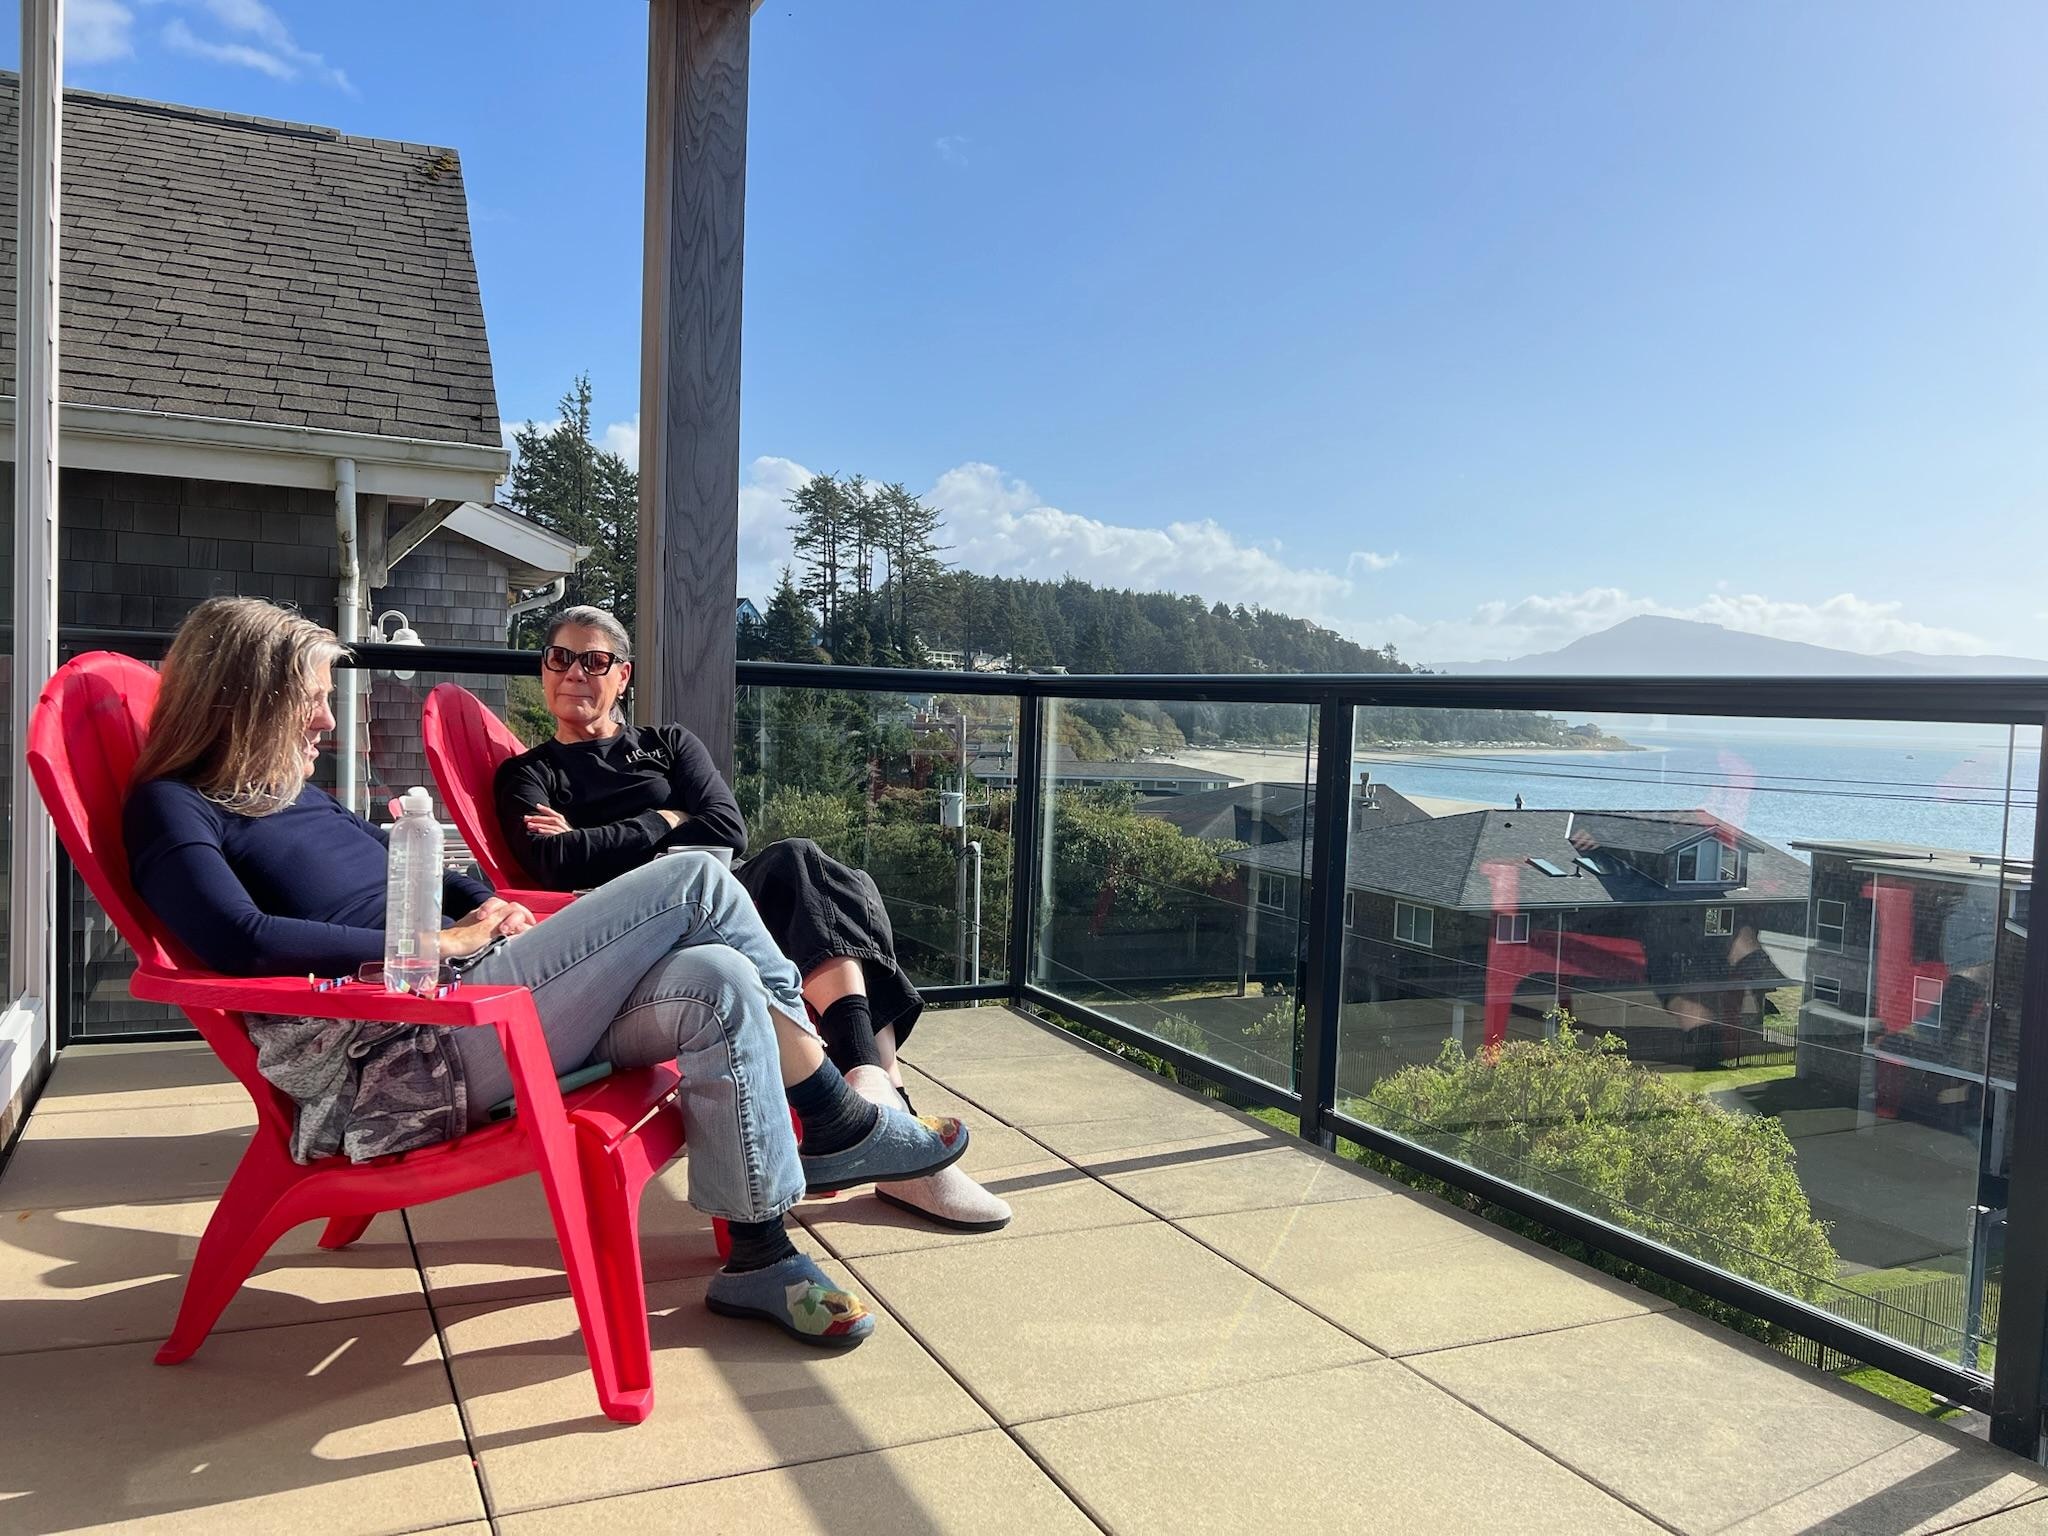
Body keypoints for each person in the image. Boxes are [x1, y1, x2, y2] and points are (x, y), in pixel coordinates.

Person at [123, 596, 972, 1349]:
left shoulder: (296, 796)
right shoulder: (173, 805)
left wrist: (487, 904)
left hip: (479, 993)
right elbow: (240, 940)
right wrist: (433, 947)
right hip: (403, 1047)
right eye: (311, 699)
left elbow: (415, 867)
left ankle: (759, 1253)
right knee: (699, 881)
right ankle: (831, 1113)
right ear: (248, 698)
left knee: (718, 976)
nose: (325, 721)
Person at [494, 605, 1011, 1233]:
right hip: (634, 931)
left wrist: (595, 837)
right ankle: (889, 1122)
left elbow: (727, 828)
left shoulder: (667, 744)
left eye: (594, 660)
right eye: (559, 658)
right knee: (834, 888)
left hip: (723, 898)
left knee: (817, 873)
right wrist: (666, 819)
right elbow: (552, 862)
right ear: (544, 670)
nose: (574, 672)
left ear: (623, 676)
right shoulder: (528, 774)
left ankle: (873, 1099)